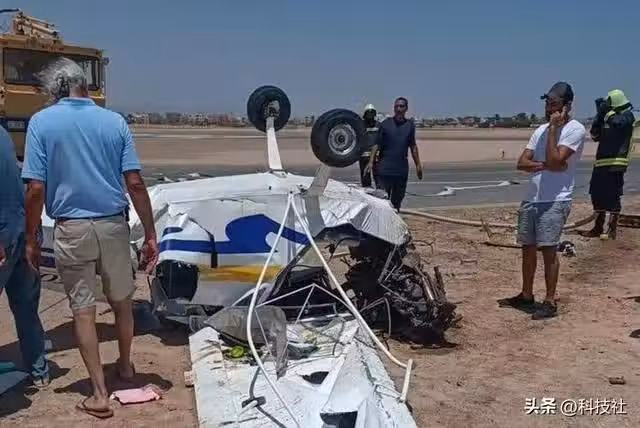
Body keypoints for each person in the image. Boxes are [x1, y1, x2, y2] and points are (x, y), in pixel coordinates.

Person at [21, 57, 158, 419]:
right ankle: (125, 366)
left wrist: (31, 237)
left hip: (72, 228)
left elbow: (36, 189)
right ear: (84, 84)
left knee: (83, 311)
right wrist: (150, 233)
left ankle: (99, 394)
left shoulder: (41, 123)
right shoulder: (114, 122)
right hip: (113, 225)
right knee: (122, 302)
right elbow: (135, 183)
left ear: (56, 89)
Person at [500, 82, 586, 320]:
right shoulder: (539, 130)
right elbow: (522, 162)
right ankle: (526, 294)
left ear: (567, 105)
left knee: (549, 249)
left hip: (555, 199)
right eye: (547, 103)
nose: (549, 108)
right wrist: (545, 165)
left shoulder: (575, 129)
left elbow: (557, 159)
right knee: (527, 247)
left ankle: (549, 300)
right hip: (532, 198)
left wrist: (553, 131)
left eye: (554, 103)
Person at [0, 126, 50, 387]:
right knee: (27, 307)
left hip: (6, 232)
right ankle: (39, 371)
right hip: (22, 228)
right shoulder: (3, 134)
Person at [581, 89, 635, 240]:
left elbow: (618, 124)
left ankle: (611, 229)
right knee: (596, 194)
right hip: (601, 163)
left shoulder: (627, 116)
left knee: (613, 196)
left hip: (617, 163)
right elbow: (595, 135)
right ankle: (598, 227)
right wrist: (599, 115)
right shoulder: (607, 118)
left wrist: (607, 112)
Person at [364, 97, 423, 210]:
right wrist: (371, 162)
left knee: (397, 202)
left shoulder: (410, 126)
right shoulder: (385, 124)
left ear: (406, 108)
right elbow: (376, 144)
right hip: (384, 170)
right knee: (382, 203)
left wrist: (418, 165)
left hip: (401, 171)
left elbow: (413, 146)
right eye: (396, 106)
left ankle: (394, 219)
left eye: (401, 106)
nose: (398, 109)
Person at [359, 104, 380, 187]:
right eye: (368, 113)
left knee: (379, 180)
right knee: (365, 181)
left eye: (372, 113)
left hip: (377, 157)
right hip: (364, 157)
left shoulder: (379, 125)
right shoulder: (360, 126)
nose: (370, 115)